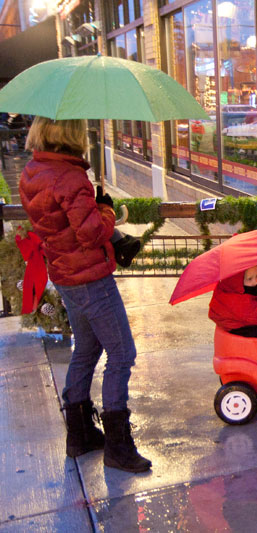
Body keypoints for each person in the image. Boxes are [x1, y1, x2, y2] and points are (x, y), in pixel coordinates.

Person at [18, 116, 151, 472]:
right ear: (71, 133)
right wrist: (105, 209)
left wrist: (92, 206)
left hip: (64, 275)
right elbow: (91, 234)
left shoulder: (32, 171)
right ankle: (119, 446)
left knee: (88, 349)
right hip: (90, 278)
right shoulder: (70, 177)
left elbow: (57, 223)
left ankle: (79, 435)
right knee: (122, 354)